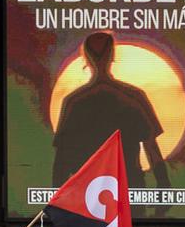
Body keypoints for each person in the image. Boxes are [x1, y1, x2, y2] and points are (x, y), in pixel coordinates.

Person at [52, 31, 169, 190]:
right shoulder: (134, 96)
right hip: (129, 187)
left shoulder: (74, 101)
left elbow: (61, 161)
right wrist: (163, 186)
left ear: (86, 57)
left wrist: (56, 203)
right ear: (112, 55)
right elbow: (151, 148)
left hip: (87, 193)